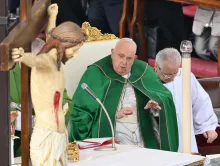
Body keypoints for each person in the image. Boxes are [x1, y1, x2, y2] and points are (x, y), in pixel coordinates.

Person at [11, 3, 87, 166]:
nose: (76, 54)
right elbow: (36, 60)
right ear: (64, 45)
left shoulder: (56, 63)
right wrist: (22, 56)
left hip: (59, 135)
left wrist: (52, 16)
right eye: (74, 49)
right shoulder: (45, 62)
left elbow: (51, 37)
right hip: (46, 136)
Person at [69, 38, 179, 152]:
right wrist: (114, 114)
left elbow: (165, 99)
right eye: (120, 56)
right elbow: (80, 112)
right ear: (112, 53)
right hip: (114, 134)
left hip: (145, 134)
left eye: (129, 58)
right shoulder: (95, 73)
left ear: (134, 59)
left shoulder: (144, 70)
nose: (124, 62)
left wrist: (155, 109)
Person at [154, 48, 219, 153]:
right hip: (159, 133)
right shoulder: (147, 80)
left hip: (184, 132)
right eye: (167, 74)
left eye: (175, 73)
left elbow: (200, 101)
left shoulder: (185, 76)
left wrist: (207, 125)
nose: (172, 78)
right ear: (156, 67)